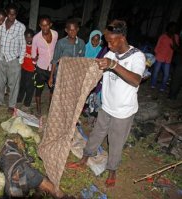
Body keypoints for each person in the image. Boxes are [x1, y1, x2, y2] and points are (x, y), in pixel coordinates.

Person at [67, 20, 145, 188]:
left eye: (111, 41)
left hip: (123, 111)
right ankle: (85, 158)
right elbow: (93, 71)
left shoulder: (137, 56)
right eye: (107, 41)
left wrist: (114, 65)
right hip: (106, 106)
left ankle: (112, 170)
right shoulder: (110, 55)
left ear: (122, 38)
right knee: (96, 134)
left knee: (116, 142)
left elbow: (136, 80)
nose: (108, 45)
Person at [0, 133, 68, 198]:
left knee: (17, 187)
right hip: (23, 170)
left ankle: (40, 193)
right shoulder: (14, 145)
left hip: (13, 178)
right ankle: (63, 197)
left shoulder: (3, 154)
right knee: (49, 185)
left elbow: (0, 166)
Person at [0, 3, 26, 114]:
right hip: (0, 58)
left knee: (13, 84)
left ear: (16, 14)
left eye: (14, 14)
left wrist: (21, 60)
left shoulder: (20, 27)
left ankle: (12, 105)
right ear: (6, 13)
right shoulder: (0, 24)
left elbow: (23, 44)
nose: (12, 17)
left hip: (13, 59)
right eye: (9, 14)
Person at [31, 15, 58, 117]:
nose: (44, 28)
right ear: (39, 26)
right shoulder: (36, 38)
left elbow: (57, 49)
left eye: (46, 25)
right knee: (39, 89)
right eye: (42, 26)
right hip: (41, 68)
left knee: (52, 89)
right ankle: (38, 110)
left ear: (50, 25)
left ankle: (50, 108)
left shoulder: (55, 34)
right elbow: (33, 55)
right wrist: (35, 61)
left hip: (53, 68)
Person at [151, 22, 179, 92]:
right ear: (168, 28)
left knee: (166, 74)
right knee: (155, 72)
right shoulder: (163, 36)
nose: (173, 29)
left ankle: (162, 87)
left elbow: (175, 48)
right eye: (172, 27)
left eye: (174, 28)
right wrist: (155, 55)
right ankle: (153, 84)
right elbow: (157, 46)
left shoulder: (176, 37)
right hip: (159, 56)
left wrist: (173, 39)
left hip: (168, 58)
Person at [17, 29, 35, 111]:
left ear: (33, 37)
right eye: (27, 37)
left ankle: (27, 104)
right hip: (23, 68)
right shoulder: (22, 45)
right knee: (22, 85)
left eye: (30, 37)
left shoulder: (35, 46)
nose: (28, 39)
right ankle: (19, 99)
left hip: (31, 70)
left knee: (29, 87)